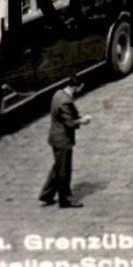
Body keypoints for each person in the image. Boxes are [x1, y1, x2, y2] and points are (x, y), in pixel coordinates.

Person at [39, 76, 90, 208]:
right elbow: (70, 123)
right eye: (80, 88)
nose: (80, 91)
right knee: (64, 171)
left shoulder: (58, 94)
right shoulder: (66, 101)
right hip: (62, 140)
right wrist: (82, 121)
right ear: (76, 87)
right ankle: (65, 199)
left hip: (55, 137)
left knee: (58, 167)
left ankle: (46, 194)